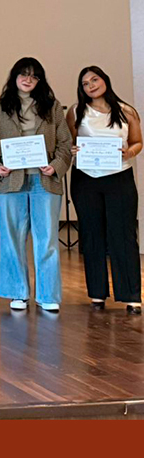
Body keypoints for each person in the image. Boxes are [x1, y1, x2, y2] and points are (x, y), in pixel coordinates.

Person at [0, 57, 72, 312]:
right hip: (10, 181)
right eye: (23, 74)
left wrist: (56, 166)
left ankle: (48, 295)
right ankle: (17, 292)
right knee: (11, 238)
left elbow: (65, 144)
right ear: (14, 77)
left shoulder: (52, 107)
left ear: (39, 80)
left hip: (45, 180)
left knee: (47, 239)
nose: (28, 79)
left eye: (34, 75)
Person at [67, 66, 142, 315]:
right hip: (85, 178)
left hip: (119, 176)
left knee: (123, 234)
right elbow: (69, 142)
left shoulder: (126, 110)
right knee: (91, 234)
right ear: (82, 89)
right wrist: (73, 150)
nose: (91, 85)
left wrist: (129, 152)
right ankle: (97, 293)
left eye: (95, 79)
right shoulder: (75, 111)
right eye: (85, 83)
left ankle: (131, 295)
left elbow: (137, 141)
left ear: (105, 80)